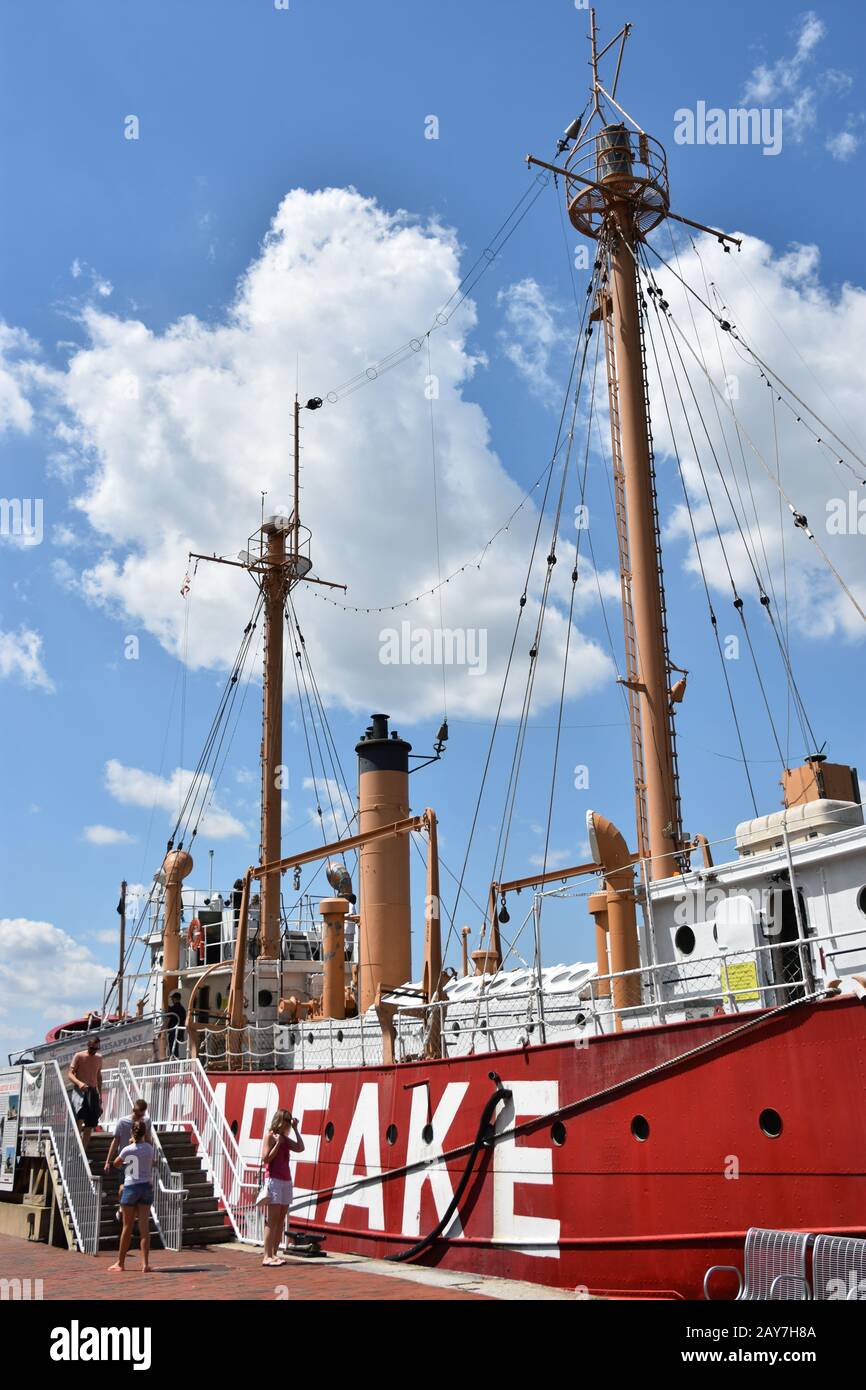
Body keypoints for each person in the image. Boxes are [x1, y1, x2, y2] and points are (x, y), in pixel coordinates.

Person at [107, 1117, 157, 1273]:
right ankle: (145, 1264)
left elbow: (116, 1163)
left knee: (127, 1227)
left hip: (131, 1187)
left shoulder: (127, 1150)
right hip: (145, 1187)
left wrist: (129, 1148)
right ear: (144, 1133)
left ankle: (121, 1263)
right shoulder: (149, 1148)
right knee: (144, 1228)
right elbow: (152, 1162)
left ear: (131, 1132)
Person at [259, 1109, 304, 1266]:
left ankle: (274, 1253)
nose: (288, 1124)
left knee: (281, 1219)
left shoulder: (285, 1138)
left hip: (286, 1180)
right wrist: (277, 1143)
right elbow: (265, 1158)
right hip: (274, 1180)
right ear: (280, 1120)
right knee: (272, 1219)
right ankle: (267, 1256)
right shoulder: (270, 1136)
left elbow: (300, 1147)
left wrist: (297, 1130)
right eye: (287, 1121)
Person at [104, 1099, 152, 1217]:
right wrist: (107, 1161)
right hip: (126, 1159)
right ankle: (122, 1208)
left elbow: (149, 1139)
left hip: (139, 1159)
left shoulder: (146, 1121)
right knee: (123, 1188)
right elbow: (115, 1141)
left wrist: (150, 1155)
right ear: (134, 1111)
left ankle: (127, 1212)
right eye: (138, 1114)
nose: (140, 1117)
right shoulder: (123, 1121)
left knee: (133, 1188)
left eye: (142, 1114)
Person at [68, 1034, 103, 1147]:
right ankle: (75, 1147)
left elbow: (98, 1076)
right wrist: (79, 1083)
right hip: (80, 1091)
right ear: (88, 1046)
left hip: (92, 1091)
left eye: (96, 1048)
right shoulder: (79, 1056)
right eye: (92, 1048)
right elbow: (69, 1074)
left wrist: (100, 1094)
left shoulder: (99, 1058)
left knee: (91, 1123)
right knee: (80, 1117)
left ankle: (82, 1152)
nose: (93, 1051)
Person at [166, 991, 187, 1058]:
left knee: (172, 1047)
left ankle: (174, 1062)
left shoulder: (172, 1009)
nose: (171, 1000)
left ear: (175, 999)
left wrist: (163, 1029)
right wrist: (182, 1034)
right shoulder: (183, 1009)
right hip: (180, 1031)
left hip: (173, 1031)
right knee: (176, 1047)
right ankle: (176, 1060)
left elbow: (168, 1020)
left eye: (172, 998)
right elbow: (183, 1022)